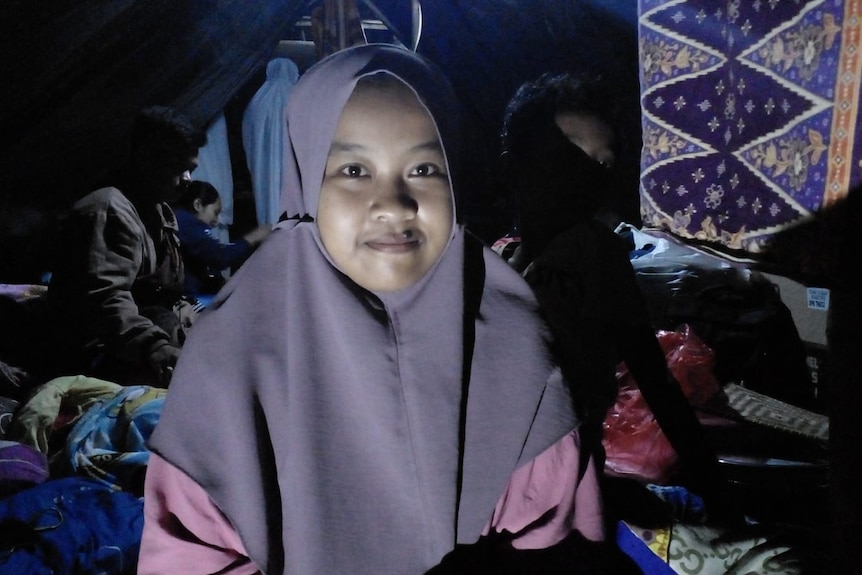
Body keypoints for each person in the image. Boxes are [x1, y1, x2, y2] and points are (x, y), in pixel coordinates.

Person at [137, 45, 640, 575]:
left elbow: (558, 544)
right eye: (354, 169)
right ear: (307, 176)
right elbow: (190, 550)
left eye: (425, 167)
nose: (395, 202)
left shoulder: (512, 341)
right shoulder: (230, 355)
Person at [498, 72, 739, 525]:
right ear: (516, 162)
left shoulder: (594, 255)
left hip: (547, 493)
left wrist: (718, 496)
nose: (586, 171)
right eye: (570, 151)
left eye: (603, 163)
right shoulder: (498, 259)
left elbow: (656, 381)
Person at [45, 105, 206, 387]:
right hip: (95, 352)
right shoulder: (108, 210)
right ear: (147, 158)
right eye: (179, 168)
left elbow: (159, 289)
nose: (188, 180)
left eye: (190, 170)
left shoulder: (160, 213)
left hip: (136, 337)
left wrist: (181, 307)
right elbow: (105, 301)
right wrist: (155, 347)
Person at [173, 180, 270, 298]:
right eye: (215, 212)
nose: (216, 221)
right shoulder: (186, 224)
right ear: (198, 205)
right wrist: (254, 237)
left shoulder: (185, 223)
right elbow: (219, 256)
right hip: (186, 299)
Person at [241, 58, 301, 226]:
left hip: (264, 167)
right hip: (292, 169)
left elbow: (248, 133)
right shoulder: (298, 99)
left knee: (267, 202)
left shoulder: (258, 101)